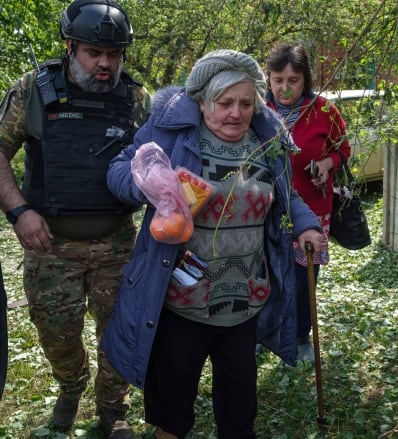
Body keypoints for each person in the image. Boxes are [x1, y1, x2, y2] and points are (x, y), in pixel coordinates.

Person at [102, 49, 323, 438]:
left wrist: (304, 225)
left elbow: (288, 196)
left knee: (239, 416)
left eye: (245, 103)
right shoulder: (172, 133)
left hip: (244, 302)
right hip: (180, 304)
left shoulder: (266, 140)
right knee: (171, 416)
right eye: (225, 103)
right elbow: (120, 169)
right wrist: (152, 185)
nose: (235, 113)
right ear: (203, 103)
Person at [0, 0, 149, 436]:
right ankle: (71, 387)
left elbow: (161, 156)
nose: (105, 64)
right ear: (71, 47)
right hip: (50, 244)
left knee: (120, 331)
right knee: (57, 332)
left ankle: (114, 408)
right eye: (95, 53)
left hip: (117, 242)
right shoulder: (33, 90)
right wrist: (18, 212)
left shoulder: (136, 98)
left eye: (114, 54)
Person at [264, 43, 351, 364]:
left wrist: (328, 163)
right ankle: (266, 331)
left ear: (305, 80)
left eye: (293, 80)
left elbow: (344, 150)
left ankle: (301, 337)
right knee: (268, 274)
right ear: (268, 80)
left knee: (304, 279)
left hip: (313, 209)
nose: (284, 88)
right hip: (268, 210)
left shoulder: (324, 111)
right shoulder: (259, 111)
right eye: (278, 80)